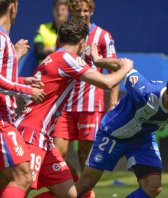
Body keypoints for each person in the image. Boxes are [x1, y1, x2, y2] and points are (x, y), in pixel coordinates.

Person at [14, 19, 132, 197]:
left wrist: (97, 60)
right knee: (20, 187)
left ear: (59, 40)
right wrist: (126, 67)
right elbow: (107, 82)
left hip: (42, 137)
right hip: (32, 134)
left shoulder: (55, 57)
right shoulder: (67, 59)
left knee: (70, 194)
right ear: (83, 42)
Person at [51, 0, 119, 191]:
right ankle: (72, 189)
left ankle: (85, 193)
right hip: (65, 106)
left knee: (85, 157)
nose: (81, 14)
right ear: (71, 11)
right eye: (77, 10)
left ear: (92, 11)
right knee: (56, 154)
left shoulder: (103, 36)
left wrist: (112, 103)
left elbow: (114, 69)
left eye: (85, 10)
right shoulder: (65, 34)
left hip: (90, 105)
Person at [0, 0, 46, 197]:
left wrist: (24, 81)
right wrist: (28, 92)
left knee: (5, 181)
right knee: (23, 177)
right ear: (14, 6)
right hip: (1, 121)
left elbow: (4, 78)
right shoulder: (1, 39)